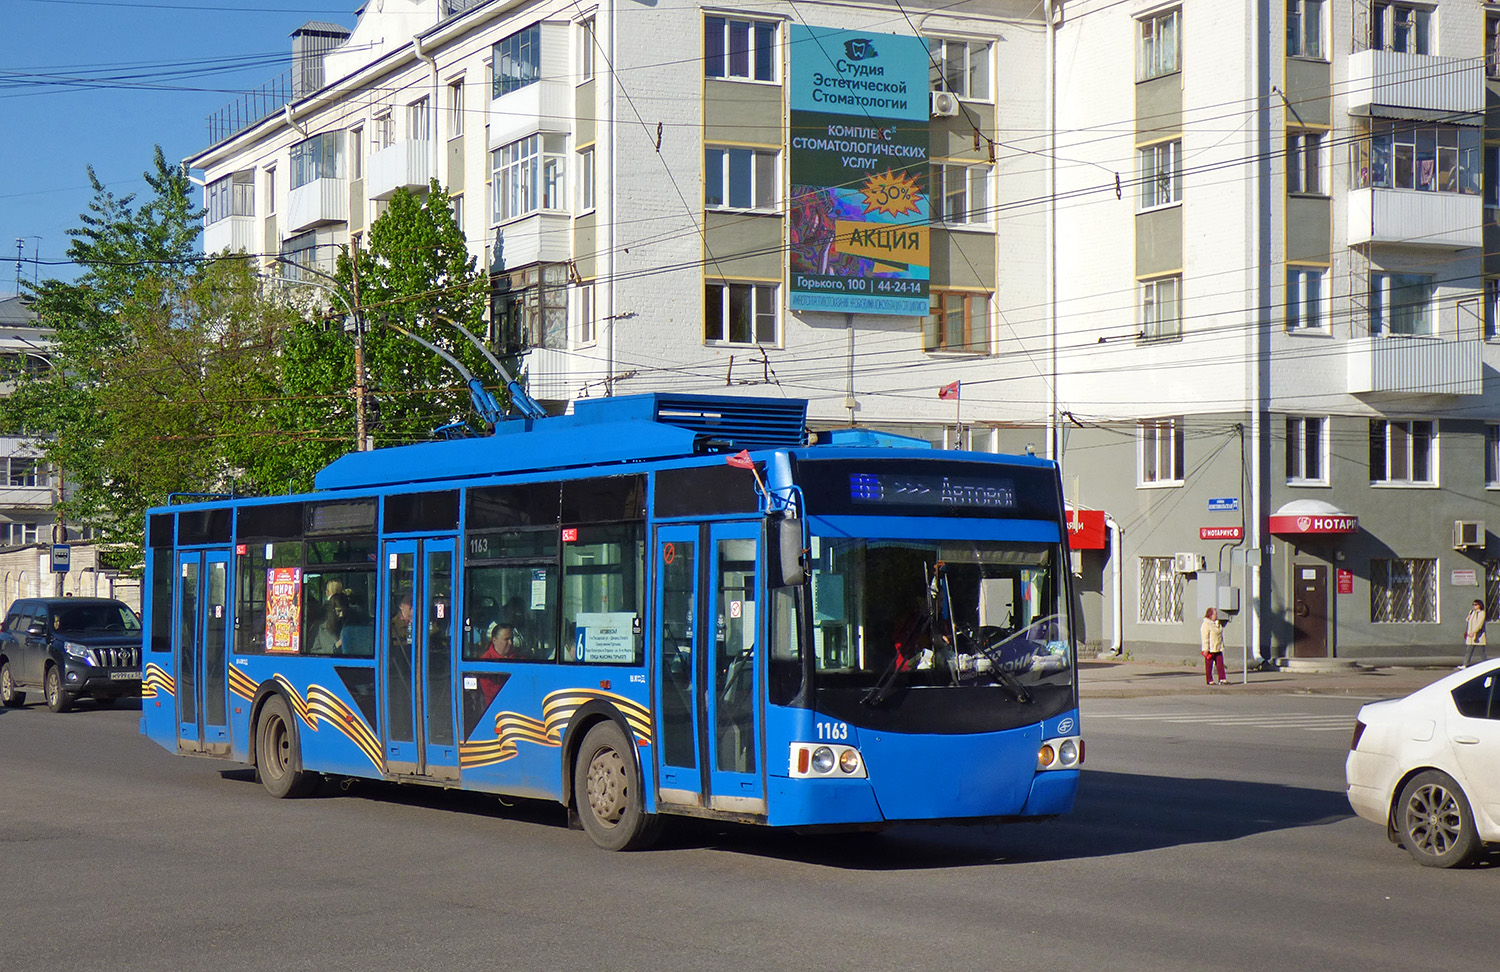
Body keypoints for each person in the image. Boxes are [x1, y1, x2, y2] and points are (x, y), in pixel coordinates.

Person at [1201, 607, 1228, 686]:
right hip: (1210, 649)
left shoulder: (1217, 623)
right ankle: (1209, 680)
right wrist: (1205, 649)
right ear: (1210, 615)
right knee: (1209, 666)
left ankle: (1222, 679)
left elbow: (1220, 635)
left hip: (1218, 648)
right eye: (1215, 614)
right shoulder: (1206, 624)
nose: (1216, 616)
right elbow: (1205, 637)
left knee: (1220, 664)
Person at [1462, 599, 1487, 667]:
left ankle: (1487, 665)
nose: (1474, 606)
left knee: (1481, 652)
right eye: (1473, 604)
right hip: (1470, 637)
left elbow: (1479, 624)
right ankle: (1465, 664)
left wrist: (1473, 632)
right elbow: (1467, 620)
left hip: (1478, 636)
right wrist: (1468, 617)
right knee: (1468, 651)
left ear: (1480, 605)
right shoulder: (1472, 612)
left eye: (1476, 605)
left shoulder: (1482, 613)